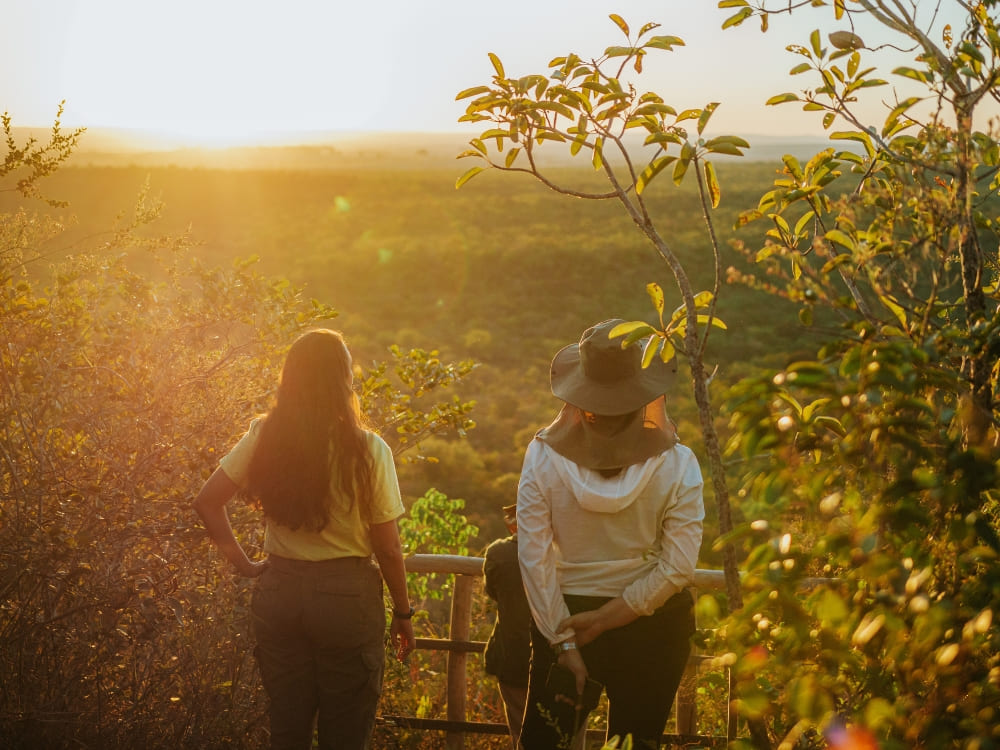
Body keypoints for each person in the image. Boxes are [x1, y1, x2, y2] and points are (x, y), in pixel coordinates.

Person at [193, 328, 415, 750]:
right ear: (343, 380)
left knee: (288, 733)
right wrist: (403, 614)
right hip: (346, 601)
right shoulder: (369, 450)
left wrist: (245, 564)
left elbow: (207, 502)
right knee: (345, 735)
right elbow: (388, 547)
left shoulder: (265, 436)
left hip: (280, 591)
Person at [516, 319, 705, 750]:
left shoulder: (542, 457)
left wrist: (564, 641)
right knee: (637, 743)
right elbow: (678, 568)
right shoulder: (679, 464)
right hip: (652, 622)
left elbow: (534, 558)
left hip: (563, 614)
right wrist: (606, 621)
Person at [482, 503, 532, 749]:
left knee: (521, 734)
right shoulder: (568, 553)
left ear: (514, 525)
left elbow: (493, 592)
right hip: (566, 658)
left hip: (513, 657)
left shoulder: (499, 553)